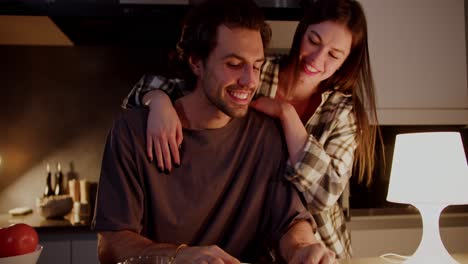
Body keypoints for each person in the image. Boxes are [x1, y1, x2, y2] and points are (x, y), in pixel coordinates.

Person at [122, 0, 381, 259]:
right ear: (301, 32)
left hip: (314, 249)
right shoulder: (257, 70)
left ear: (346, 61)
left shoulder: (343, 112)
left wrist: (286, 114)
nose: (317, 58)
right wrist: (157, 100)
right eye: (313, 40)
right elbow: (188, 85)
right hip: (258, 244)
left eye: (334, 55)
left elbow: (323, 195)